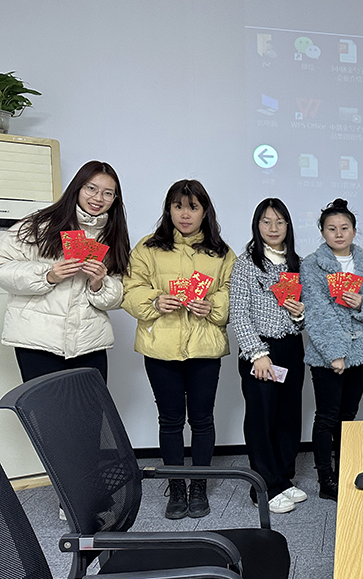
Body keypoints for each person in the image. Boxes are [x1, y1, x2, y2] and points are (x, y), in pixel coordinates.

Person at [123, 180, 235, 520]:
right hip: (161, 347)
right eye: (178, 206)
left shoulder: (221, 253)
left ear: (205, 212)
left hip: (205, 347)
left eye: (193, 207)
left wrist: (213, 305)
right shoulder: (148, 248)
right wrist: (155, 300)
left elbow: (232, 290)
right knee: (170, 421)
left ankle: (199, 485)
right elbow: (130, 289)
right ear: (168, 210)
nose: (185, 214)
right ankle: (176, 487)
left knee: (202, 420)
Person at [0, 160, 130, 382]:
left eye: (108, 193)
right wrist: (48, 275)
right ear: (77, 187)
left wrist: (99, 284)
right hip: (37, 341)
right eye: (91, 188)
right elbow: (3, 266)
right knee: (44, 405)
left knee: (91, 404)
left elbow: (121, 295)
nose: (98, 198)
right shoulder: (39, 224)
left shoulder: (113, 235)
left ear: (115, 199)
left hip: (89, 342)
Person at [301, 199, 363, 501]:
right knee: (326, 416)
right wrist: (335, 353)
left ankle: (344, 469)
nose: (338, 233)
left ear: (354, 231)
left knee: (348, 415)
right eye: (331, 228)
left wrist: (362, 303)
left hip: (360, 352)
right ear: (322, 232)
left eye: (344, 228)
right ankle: (326, 479)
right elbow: (316, 312)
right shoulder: (311, 265)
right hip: (326, 356)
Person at [230, 198, 308, 514]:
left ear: (288, 226)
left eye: (279, 221)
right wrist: (257, 353)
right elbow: (238, 313)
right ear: (257, 225)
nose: (273, 228)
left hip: (291, 347)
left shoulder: (298, 264)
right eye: (266, 221)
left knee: (288, 416)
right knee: (261, 418)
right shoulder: (245, 264)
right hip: (261, 350)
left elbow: (305, 317)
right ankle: (264, 487)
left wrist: (300, 314)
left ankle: (283, 479)